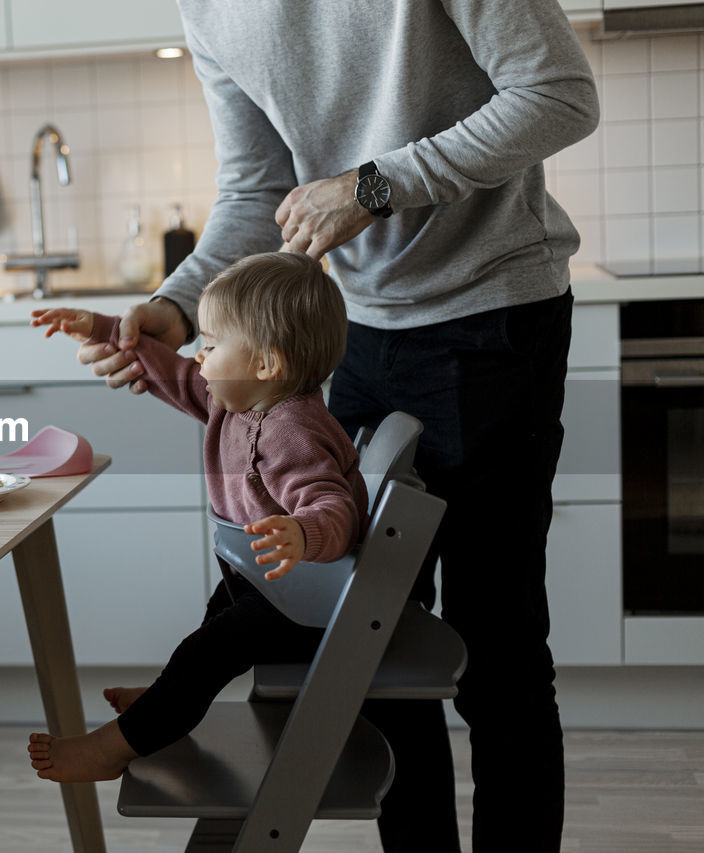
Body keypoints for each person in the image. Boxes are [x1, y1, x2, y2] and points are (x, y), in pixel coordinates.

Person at [73, 3, 600, 851]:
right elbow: (257, 189)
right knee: (368, 646)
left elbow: (561, 95)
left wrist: (374, 186)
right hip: (351, 335)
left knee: (496, 660)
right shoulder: (207, 8)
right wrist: (175, 307)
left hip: (492, 316)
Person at [24, 251, 369, 782]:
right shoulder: (239, 401)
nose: (199, 358)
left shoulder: (291, 433)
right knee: (204, 646)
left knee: (204, 652)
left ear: (265, 364)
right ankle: (168, 702)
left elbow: (332, 508)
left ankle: (119, 744)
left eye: (210, 345)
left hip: (305, 605)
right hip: (270, 586)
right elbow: (173, 373)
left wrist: (302, 532)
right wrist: (102, 328)